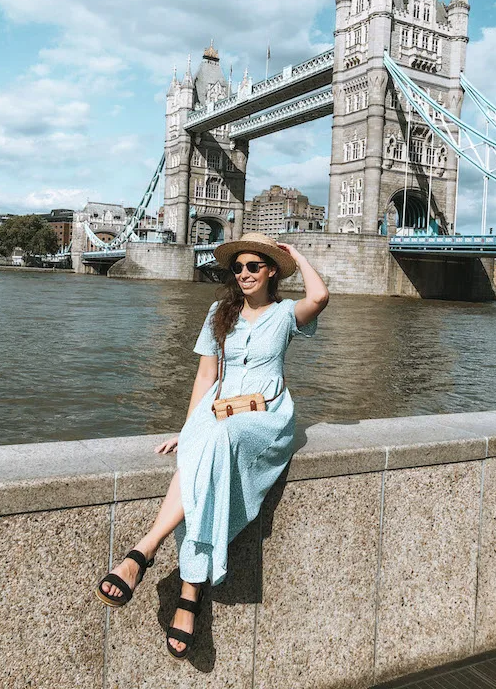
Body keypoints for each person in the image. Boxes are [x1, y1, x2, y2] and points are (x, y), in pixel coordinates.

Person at [95, 231, 329, 659]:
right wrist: (188, 431)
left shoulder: (285, 315)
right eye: (237, 267)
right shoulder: (219, 312)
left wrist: (295, 253)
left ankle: (143, 551)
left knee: (215, 444)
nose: (243, 273)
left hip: (263, 416)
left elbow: (320, 294)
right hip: (218, 410)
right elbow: (205, 378)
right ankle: (189, 594)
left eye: (253, 266)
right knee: (203, 451)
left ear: (271, 270)